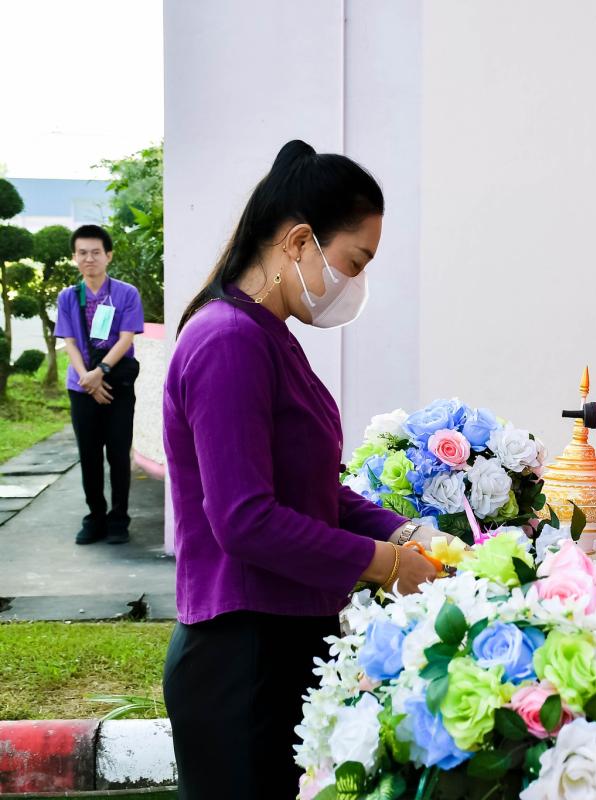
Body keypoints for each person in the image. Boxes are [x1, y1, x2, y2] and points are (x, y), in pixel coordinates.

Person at [162, 140, 439, 799]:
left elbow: (311, 489)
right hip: (243, 657)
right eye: (355, 261)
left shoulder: (267, 336)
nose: (357, 284)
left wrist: (406, 533)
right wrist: (386, 564)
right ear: (298, 241)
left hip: (282, 640)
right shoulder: (229, 340)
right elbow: (245, 520)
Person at [54, 224, 144, 545]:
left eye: (95, 252)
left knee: (118, 453)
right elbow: (69, 342)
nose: (89, 258)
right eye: (82, 253)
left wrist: (101, 372)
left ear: (109, 256)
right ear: (74, 257)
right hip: (81, 387)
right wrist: (87, 378)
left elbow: (126, 338)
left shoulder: (126, 293)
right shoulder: (68, 297)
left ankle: (119, 518)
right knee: (89, 455)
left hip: (117, 384)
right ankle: (95, 517)